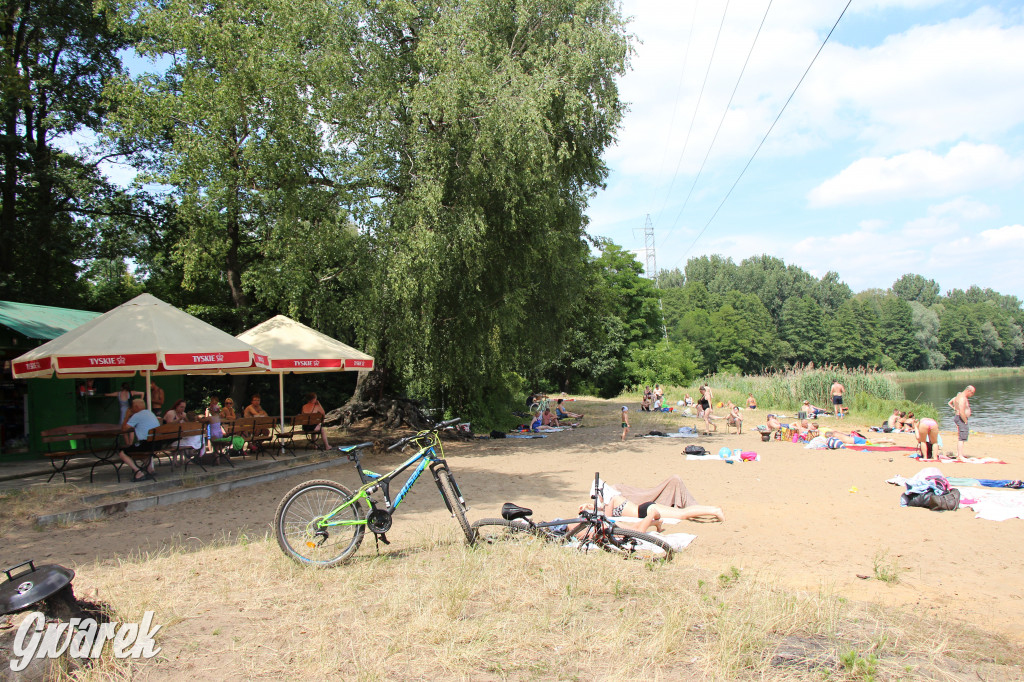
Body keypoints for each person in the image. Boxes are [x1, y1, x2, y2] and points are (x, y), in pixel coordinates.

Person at [593, 487, 724, 524]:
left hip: (646, 510)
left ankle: (714, 510)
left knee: (682, 514)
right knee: (681, 513)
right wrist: (588, 507)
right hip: (645, 509)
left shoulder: (610, 500)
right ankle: (713, 510)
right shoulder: (613, 498)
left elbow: (608, 517)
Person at [117, 398, 160, 482]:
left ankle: (138, 472)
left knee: (122, 453)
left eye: (132, 407)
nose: (131, 409)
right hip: (158, 444)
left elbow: (124, 429)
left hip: (147, 444)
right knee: (138, 449)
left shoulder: (137, 415)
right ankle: (150, 468)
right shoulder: (150, 413)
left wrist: (126, 416)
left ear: (136, 407)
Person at [947, 385, 975, 460]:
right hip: (961, 418)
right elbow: (962, 410)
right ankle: (960, 455)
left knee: (961, 436)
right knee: (962, 437)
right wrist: (965, 421)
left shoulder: (959, 396)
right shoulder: (962, 397)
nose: (972, 395)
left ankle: (959, 453)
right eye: (972, 393)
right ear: (968, 391)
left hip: (959, 417)